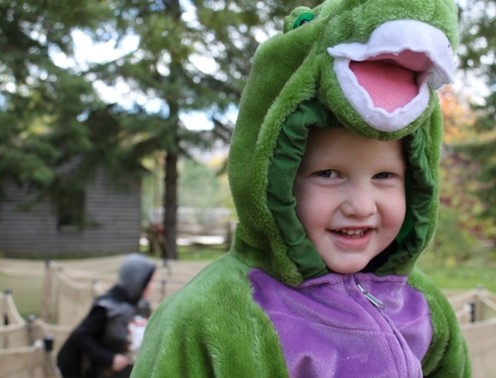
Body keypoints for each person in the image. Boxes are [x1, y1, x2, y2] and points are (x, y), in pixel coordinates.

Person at [132, 0, 471, 376]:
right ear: (275, 182)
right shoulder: (208, 316)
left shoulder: (424, 309)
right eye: (329, 174)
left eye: (384, 177)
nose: (361, 206)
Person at [57, 253, 156, 378]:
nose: (153, 286)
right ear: (137, 281)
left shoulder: (142, 305)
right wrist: (109, 358)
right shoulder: (108, 307)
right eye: (149, 281)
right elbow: (80, 336)